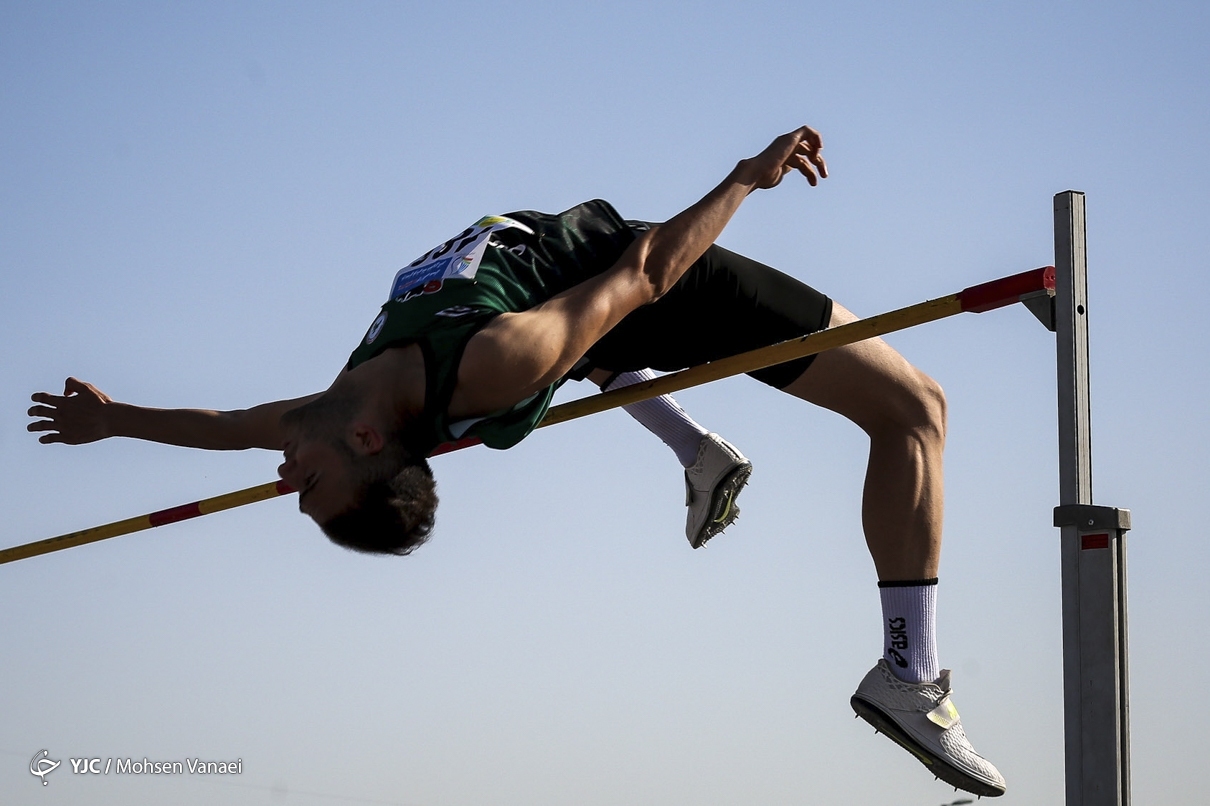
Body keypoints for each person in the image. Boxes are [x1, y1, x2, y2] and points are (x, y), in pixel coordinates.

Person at [27, 127, 1005, 797]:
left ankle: (697, 452)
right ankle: (907, 673)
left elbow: (228, 423)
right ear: (371, 448)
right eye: (311, 493)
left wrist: (117, 422)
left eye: (301, 490)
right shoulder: (491, 366)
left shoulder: (321, 411)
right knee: (916, 409)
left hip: (588, 295)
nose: (287, 485)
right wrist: (747, 175)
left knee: (586, 348)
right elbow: (649, 275)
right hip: (649, 284)